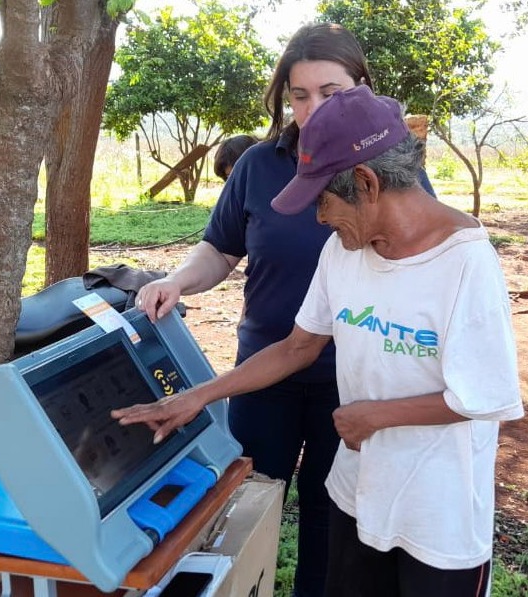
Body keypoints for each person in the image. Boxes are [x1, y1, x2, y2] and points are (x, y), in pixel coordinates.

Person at [115, 85, 523, 596]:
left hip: (437, 516)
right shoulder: (344, 251)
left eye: (322, 200)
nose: (320, 218)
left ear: (366, 182)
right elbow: (296, 348)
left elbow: (485, 395)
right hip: (357, 493)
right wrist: (196, 398)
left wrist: (374, 416)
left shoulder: (465, 262)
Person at [133, 23, 435, 597]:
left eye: (331, 92)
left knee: (332, 515)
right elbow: (221, 248)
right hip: (265, 368)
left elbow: (422, 253)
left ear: (361, 89)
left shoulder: (394, 169)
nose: (313, 108)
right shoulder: (257, 164)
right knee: (245, 499)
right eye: (299, 95)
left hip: (350, 379)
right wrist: (176, 281)